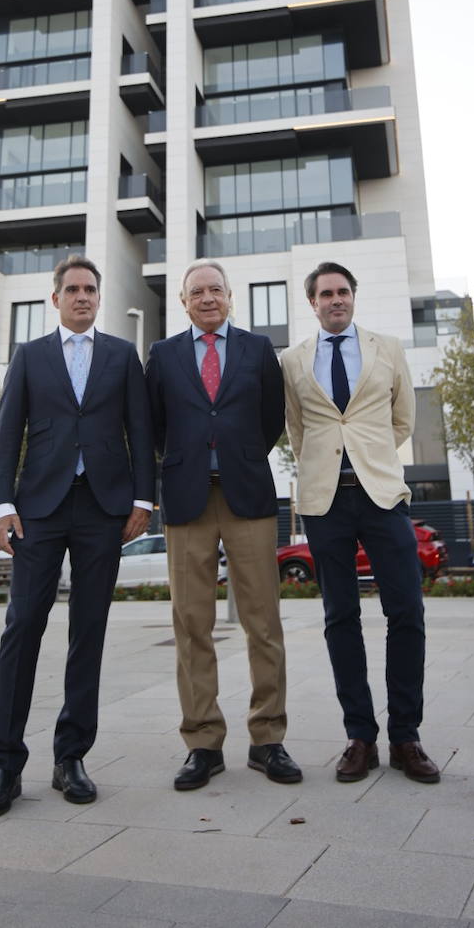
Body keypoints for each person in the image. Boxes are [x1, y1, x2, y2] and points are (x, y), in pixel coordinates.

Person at [0, 255, 155, 818]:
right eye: (72, 289)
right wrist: (1, 503)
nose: (82, 296)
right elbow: (8, 433)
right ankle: (6, 764)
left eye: (90, 290)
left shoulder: (123, 357)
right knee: (22, 626)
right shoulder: (29, 357)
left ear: (99, 299)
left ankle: (70, 757)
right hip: (39, 510)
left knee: (89, 631)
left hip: (104, 508)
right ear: (55, 299)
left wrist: (143, 499)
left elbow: (140, 430)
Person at [281, 261, 439, 785]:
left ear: (354, 296)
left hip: (381, 495)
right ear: (313, 303)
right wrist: (328, 464)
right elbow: (297, 430)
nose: (335, 300)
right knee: (339, 617)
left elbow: (403, 421)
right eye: (325, 294)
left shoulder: (387, 349)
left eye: (343, 291)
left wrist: (366, 457)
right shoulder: (293, 361)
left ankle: (406, 737)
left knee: (407, 611)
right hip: (325, 503)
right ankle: (360, 737)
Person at [145, 261, 301, 791]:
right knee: (192, 625)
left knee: (264, 621)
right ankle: (203, 743)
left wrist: (237, 453)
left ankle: (268, 739)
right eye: (197, 292)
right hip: (188, 500)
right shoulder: (163, 355)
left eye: (216, 290)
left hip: (248, 497)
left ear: (230, 297)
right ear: (183, 303)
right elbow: (155, 425)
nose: (207, 298)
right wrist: (189, 458)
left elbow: (272, 418)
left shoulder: (259, 350)